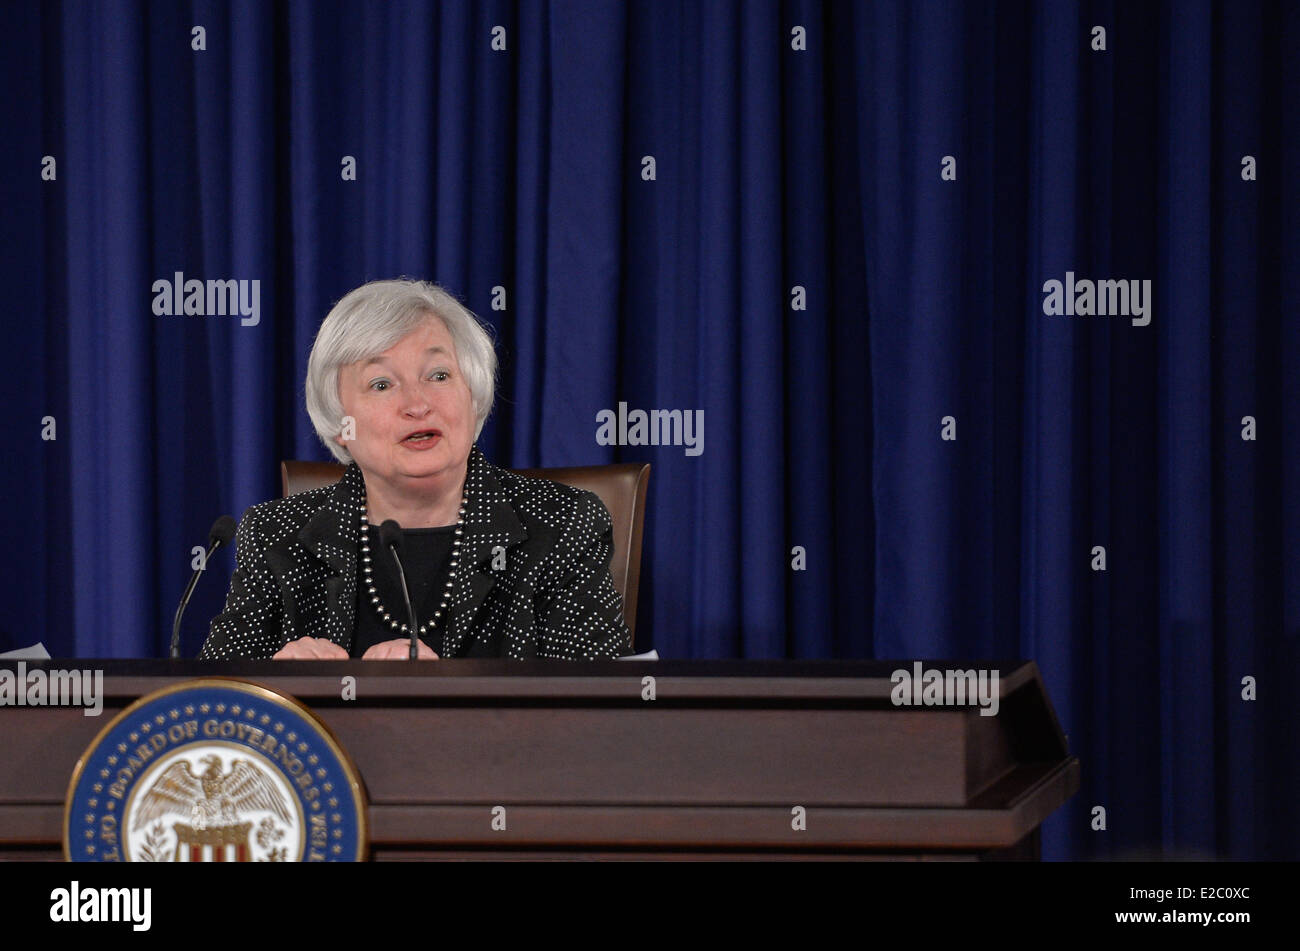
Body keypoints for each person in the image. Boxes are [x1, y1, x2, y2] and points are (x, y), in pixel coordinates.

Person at [197, 279, 633, 661]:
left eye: (439, 375)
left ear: (474, 395)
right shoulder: (278, 535)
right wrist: (274, 685)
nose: (418, 404)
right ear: (339, 422)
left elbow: (595, 711)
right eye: (381, 384)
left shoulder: (560, 525)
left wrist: (437, 695)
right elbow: (211, 705)